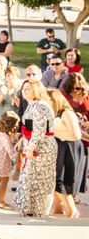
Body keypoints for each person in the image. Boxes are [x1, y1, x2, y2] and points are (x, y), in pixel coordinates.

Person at [14, 80, 57, 217]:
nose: (25, 91)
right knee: (30, 178)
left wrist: (31, 149)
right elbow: (30, 128)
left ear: (37, 91)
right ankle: (30, 209)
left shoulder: (40, 107)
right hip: (32, 145)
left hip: (42, 148)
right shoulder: (31, 105)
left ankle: (38, 210)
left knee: (40, 179)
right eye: (24, 89)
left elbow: (39, 131)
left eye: (29, 89)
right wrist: (22, 140)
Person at [48, 89, 85, 218]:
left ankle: (72, 210)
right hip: (61, 146)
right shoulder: (55, 114)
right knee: (58, 178)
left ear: (55, 100)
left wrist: (53, 133)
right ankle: (57, 209)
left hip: (71, 147)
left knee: (60, 180)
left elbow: (76, 135)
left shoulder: (67, 113)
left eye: (48, 101)